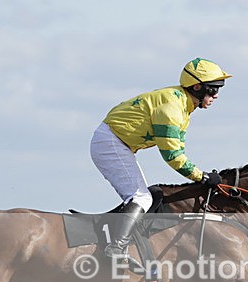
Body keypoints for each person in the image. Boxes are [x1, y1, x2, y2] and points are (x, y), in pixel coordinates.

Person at [90, 57, 231, 259]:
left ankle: (127, 242)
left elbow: (179, 149)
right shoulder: (172, 108)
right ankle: (116, 248)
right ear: (197, 87)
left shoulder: (182, 105)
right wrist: (203, 177)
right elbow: (173, 156)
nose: (216, 95)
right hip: (110, 143)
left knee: (146, 196)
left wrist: (201, 175)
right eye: (213, 89)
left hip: (117, 143)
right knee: (141, 198)